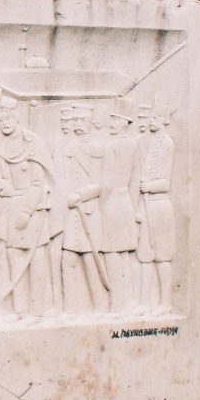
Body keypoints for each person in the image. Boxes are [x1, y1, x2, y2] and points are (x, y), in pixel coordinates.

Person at [0, 92, 59, 320]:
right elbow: (4, 179)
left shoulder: (32, 143)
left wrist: (27, 212)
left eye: (8, 118)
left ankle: (36, 310)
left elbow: (38, 183)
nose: (4, 123)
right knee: (13, 257)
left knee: (36, 260)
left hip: (33, 209)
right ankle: (19, 309)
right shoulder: (2, 148)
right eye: (1, 119)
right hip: (11, 208)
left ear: (16, 117)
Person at [58, 102, 109, 315]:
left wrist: (80, 195)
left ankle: (100, 306)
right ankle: (70, 309)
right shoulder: (68, 149)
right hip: (72, 214)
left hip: (87, 212)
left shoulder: (97, 149)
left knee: (90, 261)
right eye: (76, 120)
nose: (78, 124)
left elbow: (98, 185)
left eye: (82, 121)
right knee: (67, 260)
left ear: (90, 123)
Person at [99, 104, 142, 314]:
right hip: (125, 202)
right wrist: (132, 206)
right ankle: (127, 300)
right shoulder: (133, 145)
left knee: (112, 254)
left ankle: (117, 304)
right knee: (124, 254)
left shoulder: (112, 145)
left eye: (115, 118)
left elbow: (106, 183)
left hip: (112, 203)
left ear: (125, 122)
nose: (111, 122)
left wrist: (100, 206)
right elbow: (135, 180)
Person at [136, 101, 176, 315]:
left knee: (162, 256)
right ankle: (144, 302)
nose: (151, 121)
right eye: (150, 117)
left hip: (160, 205)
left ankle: (166, 302)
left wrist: (149, 186)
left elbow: (165, 182)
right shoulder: (149, 143)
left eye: (154, 118)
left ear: (162, 121)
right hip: (147, 205)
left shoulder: (167, 144)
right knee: (145, 256)